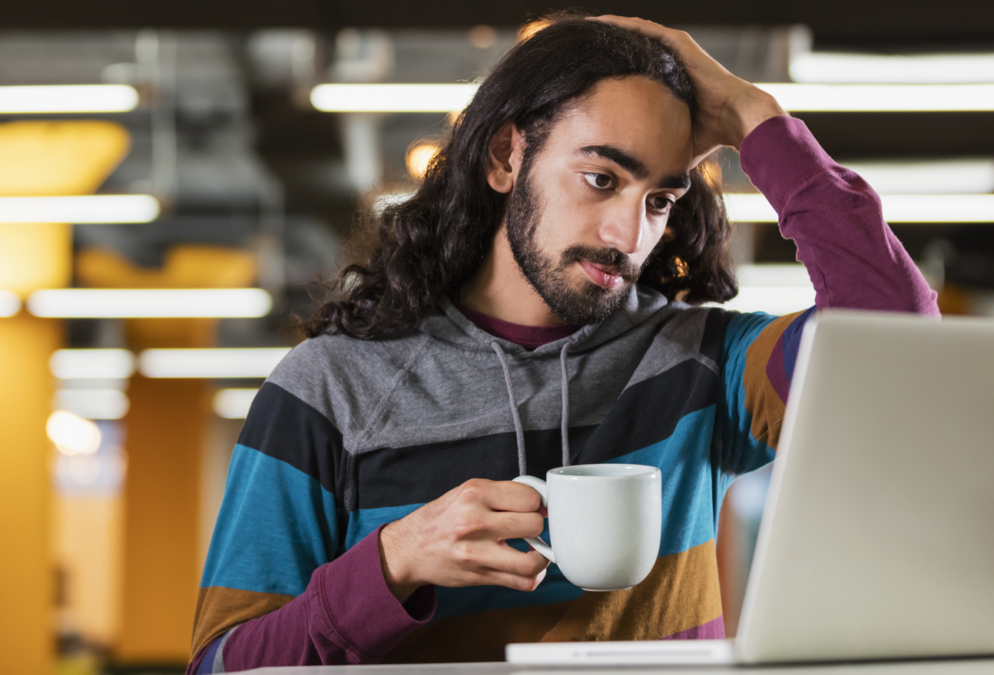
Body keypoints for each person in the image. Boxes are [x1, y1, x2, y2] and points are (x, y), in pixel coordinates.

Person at [188, 13, 938, 673]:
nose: (627, 234)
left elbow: (900, 342)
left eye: (659, 200)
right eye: (600, 177)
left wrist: (757, 118)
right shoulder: (328, 388)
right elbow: (223, 664)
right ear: (506, 157)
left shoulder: (705, 364)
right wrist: (391, 563)